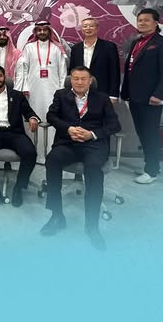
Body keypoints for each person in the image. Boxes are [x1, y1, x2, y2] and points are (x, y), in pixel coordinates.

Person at [41, 66, 121, 250]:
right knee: (52, 160)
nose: (78, 82)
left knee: (93, 168)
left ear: (90, 81)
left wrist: (91, 134)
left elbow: (114, 125)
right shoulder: (61, 95)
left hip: (93, 144)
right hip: (68, 142)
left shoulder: (102, 98)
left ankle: (92, 226)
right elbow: (51, 116)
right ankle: (56, 215)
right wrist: (68, 129)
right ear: (71, 80)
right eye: (75, 78)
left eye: (83, 79)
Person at [0, 65, 39, 206]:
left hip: (14, 132)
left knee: (30, 153)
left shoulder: (17, 95)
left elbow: (28, 111)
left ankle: (19, 187)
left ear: (4, 77)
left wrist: (32, 118)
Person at [121, 8, 163, 184]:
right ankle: (150, 165)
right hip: (135, 96)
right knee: (141, 132)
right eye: (140, 20)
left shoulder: (160, 43)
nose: (142, 23)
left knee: (150, 133)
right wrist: (125, 92)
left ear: (156, 23)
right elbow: (131, 68)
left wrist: (159, 94)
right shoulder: (137, 42)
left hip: (151, 98)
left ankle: (151, 171)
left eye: (146, 20)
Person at [15, 21, 67, 160]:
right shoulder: (29, 48)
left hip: (53, 91)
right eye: (39, 30)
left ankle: (51, 153)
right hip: (33, 91)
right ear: (35, 32)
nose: (42, 32)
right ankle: (33, 153)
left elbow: (63, 72)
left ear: (49, 31)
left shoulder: (57, 48)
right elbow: (22, 69)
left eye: (45, 30)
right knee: (33, 118)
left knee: (53, 118)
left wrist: (61, 91)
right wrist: (23, 88)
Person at [69, 18, 120, 100]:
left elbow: (114, 72)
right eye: (85, 26)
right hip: (80, 92)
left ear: (97, 28)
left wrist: (113, 95)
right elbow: (72, 70)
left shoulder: (109, 47)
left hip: (102, 91)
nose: (88, 28)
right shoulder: (76, 48)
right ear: (82, 29)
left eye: (91, 26)